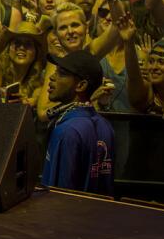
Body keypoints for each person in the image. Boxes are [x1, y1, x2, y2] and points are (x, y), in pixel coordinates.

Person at [40, 50, 115, 195]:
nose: (51, 77)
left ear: (81, 85)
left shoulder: (67, 130)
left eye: (61, 73)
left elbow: (60, 196)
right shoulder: (106, 126)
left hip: (67, 215)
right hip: (97, 215)